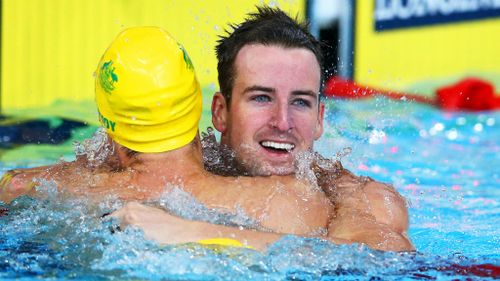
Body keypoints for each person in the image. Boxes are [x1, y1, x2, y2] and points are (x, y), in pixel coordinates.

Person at [1, 8, 413, 252]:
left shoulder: (355, 198)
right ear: (218, 112)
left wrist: (191, 232)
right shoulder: (191, 159)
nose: (283, 123)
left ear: (323, 118)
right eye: (261, 98)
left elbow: (375, 264)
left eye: (301, 102)